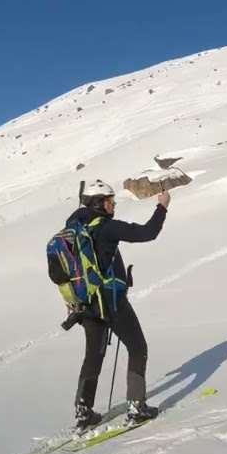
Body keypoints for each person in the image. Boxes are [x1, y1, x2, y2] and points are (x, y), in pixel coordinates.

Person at [69, 179, 170, 430]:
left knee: (93, 355)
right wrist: (162, 207)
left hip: (86, 305)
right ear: (98, 204)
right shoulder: (106, 228)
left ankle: (84, 411)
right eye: (109, 201)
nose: (113, 205)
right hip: (111, 301)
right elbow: (148, 233)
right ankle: (136, 408)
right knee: (137, 348)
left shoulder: (73, 228)